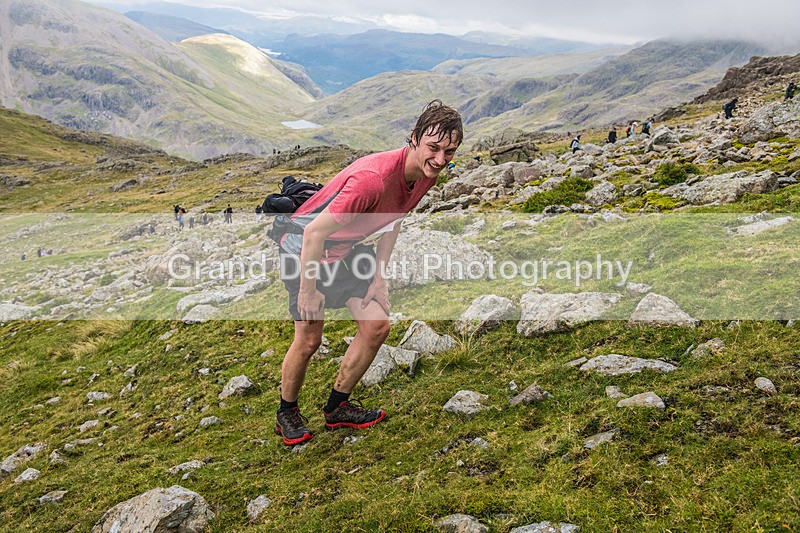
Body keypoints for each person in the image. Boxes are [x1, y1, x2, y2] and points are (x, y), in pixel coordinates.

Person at [273, 100, 463, 446]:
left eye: (448, 152)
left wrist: (379, 278)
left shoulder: (425, 174)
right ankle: (286, 413)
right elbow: (313, 233)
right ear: (415, 138)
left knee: (377, 326)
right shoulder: (372, 182)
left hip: (346, 250)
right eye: (433, 148)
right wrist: (308, 290)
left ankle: (337, 407)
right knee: (310, 339)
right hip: (304, 250)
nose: (439, 159)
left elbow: (394, 219)